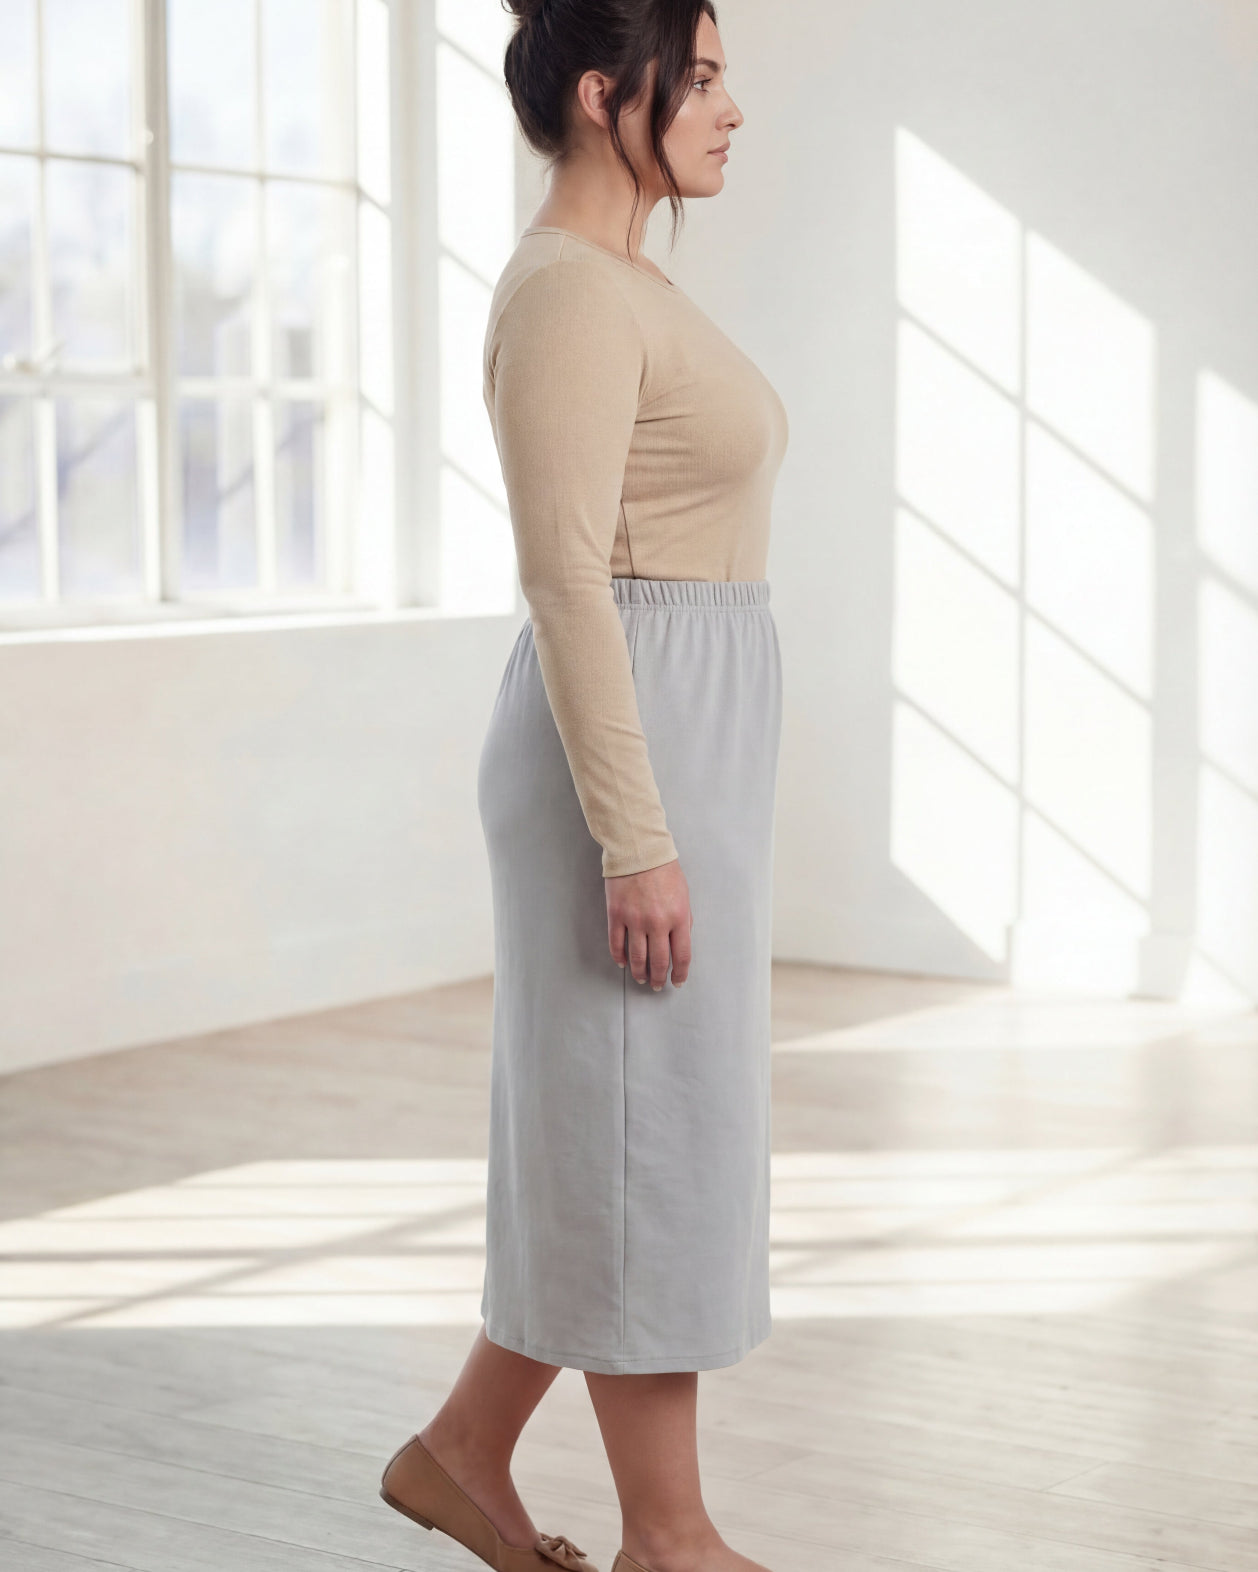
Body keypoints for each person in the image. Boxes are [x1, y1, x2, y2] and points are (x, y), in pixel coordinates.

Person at [379, 4, 788, 1570]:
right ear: (608, 94)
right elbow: (564, 576)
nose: (731, 109)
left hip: (685, 733)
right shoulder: (563, 293)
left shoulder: (626, 283)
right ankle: (668, 1538)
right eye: (705, 78)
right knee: (642, 1135)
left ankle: (461, 1452)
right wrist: (634, 838)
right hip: (624, 752)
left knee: (630, 1126)